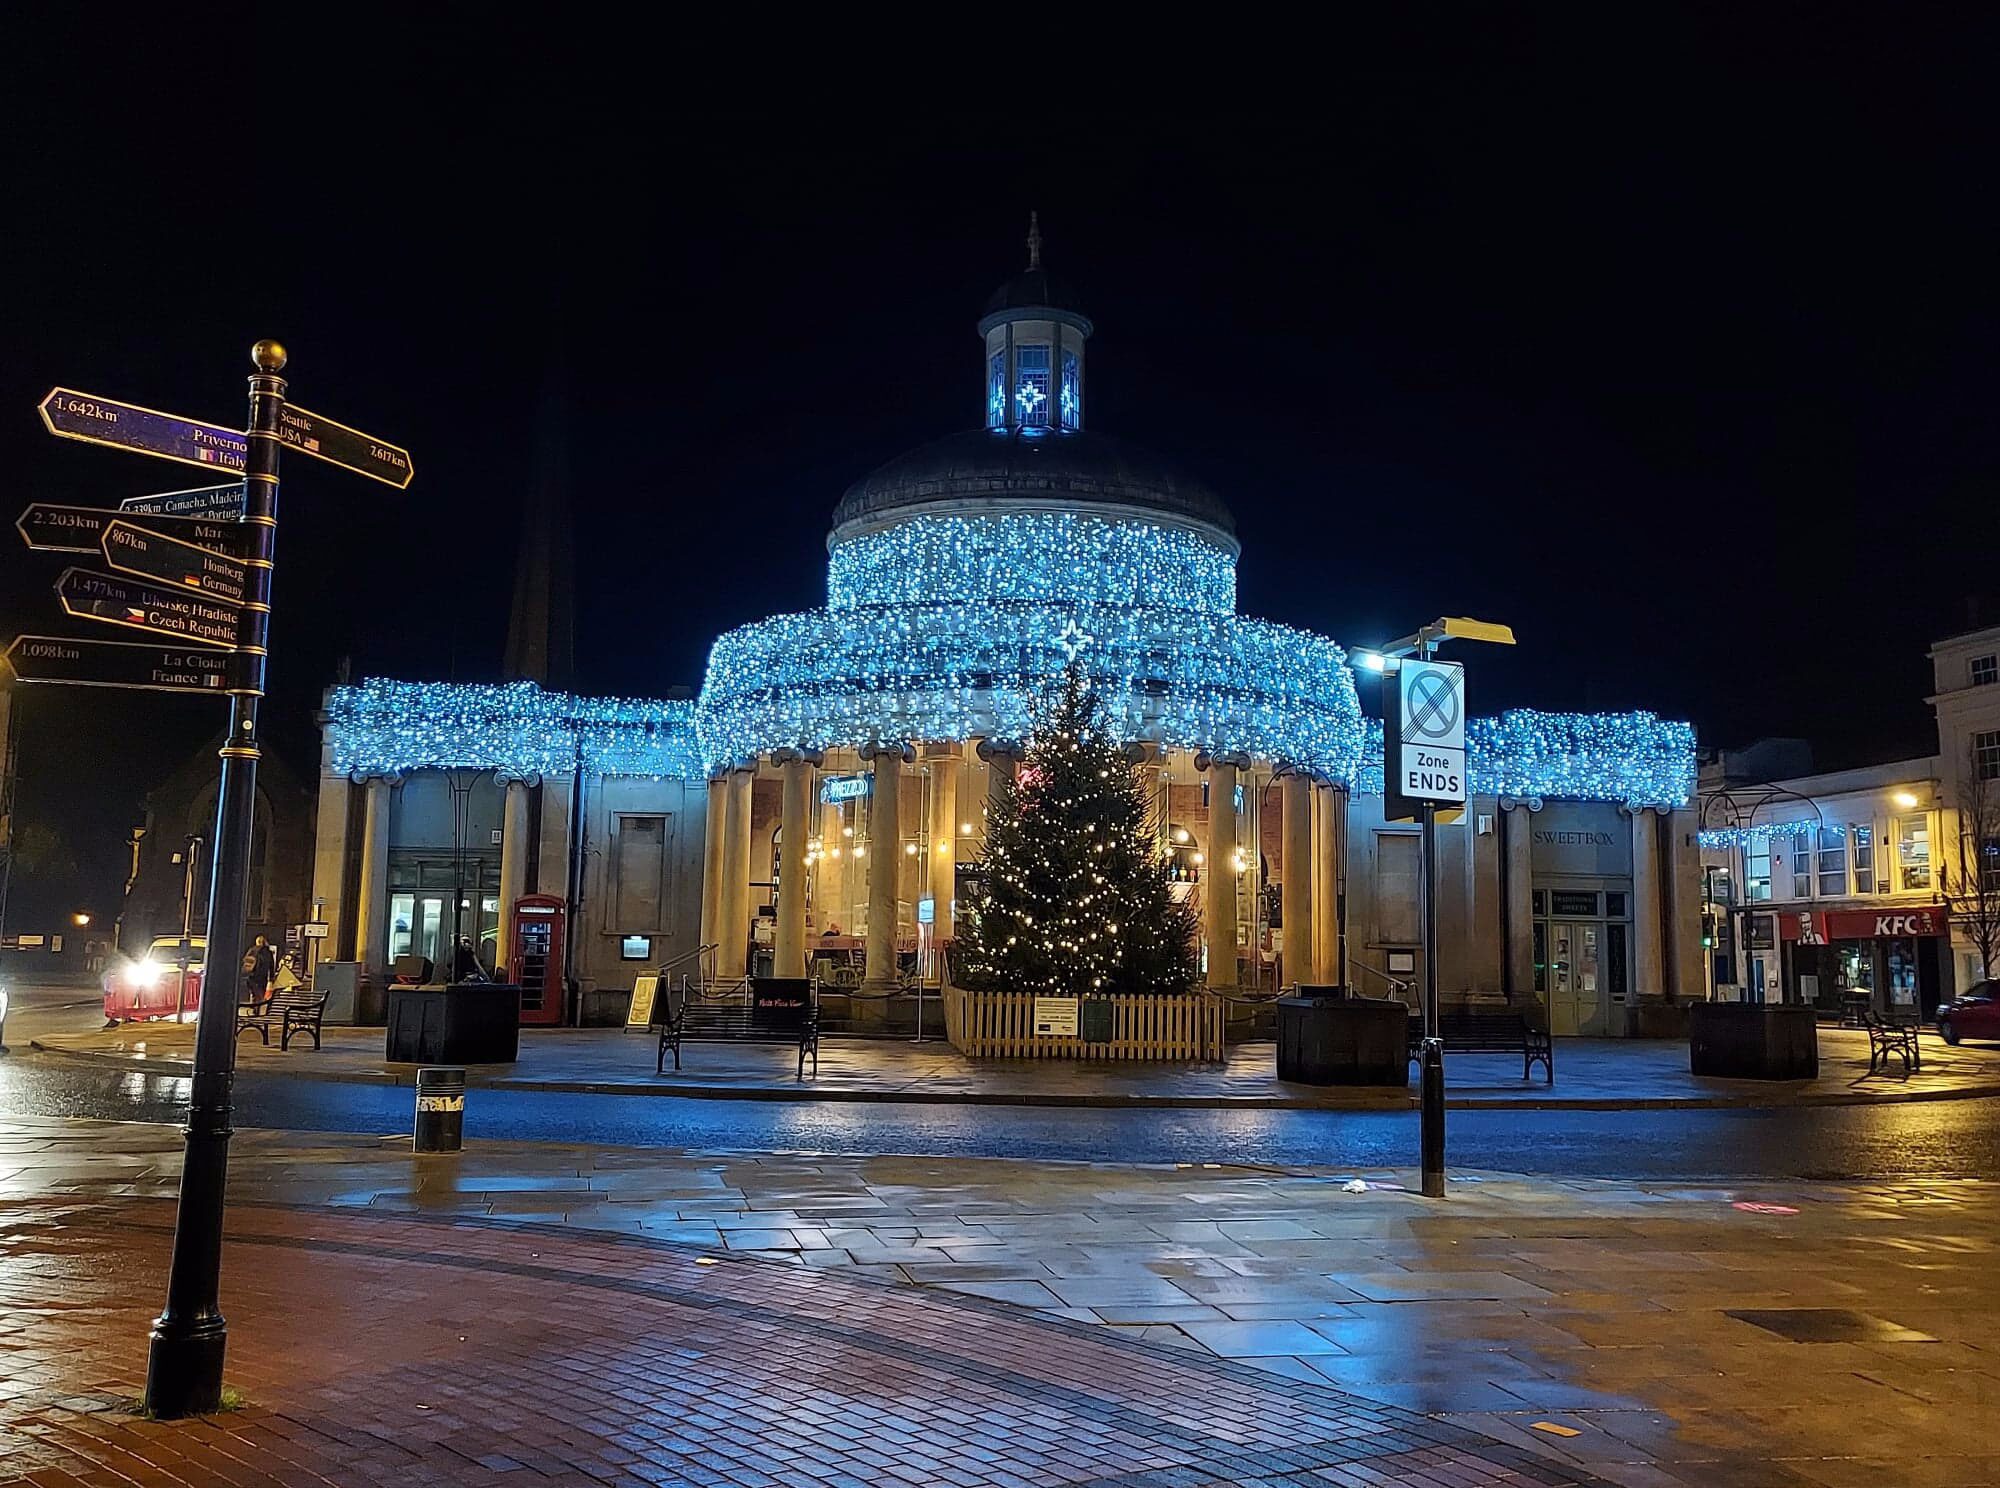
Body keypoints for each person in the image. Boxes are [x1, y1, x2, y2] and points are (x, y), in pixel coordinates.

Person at [242, 935, 275, 1006]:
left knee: (253, 993)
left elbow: (246, 964)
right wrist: (271, 979)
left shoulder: (252, 950)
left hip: (252, 977)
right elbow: (271, 967)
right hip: (263, 978)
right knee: (261, 994)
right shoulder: (268, 953)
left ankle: (253, 1007)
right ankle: (258, 1008)